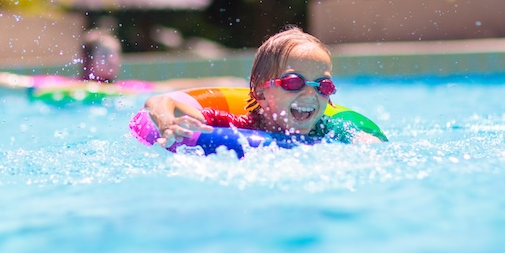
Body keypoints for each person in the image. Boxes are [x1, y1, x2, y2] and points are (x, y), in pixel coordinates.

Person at [143, 26, 386, 148]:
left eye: (323, 85)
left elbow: (368, 144)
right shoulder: (238, 126)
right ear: (261, 92)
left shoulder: (328, 129)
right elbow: (160, 102)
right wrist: (167, 121)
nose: (310, 93)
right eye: (294, 82)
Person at [0, 28, 243, 98]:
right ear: (86, 60)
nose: (113, 62)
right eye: (105, 56)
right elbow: (17, 83)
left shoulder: (126, 88)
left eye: (116, 55)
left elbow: (167, 87)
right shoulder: (62, 86)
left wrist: (224, 83)